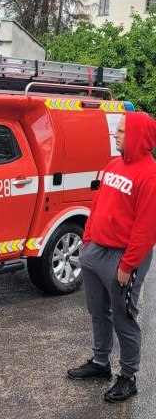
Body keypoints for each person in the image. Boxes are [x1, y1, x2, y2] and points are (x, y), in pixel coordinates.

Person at [67, 112, 156, 403]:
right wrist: (87, 239)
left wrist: (128, 266)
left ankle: (128, 377)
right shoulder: (113, 165)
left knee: (124, 318)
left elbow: (146, 228)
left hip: (123, 258)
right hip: (95, 251)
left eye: (120, 131)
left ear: (138, 136)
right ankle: (100, 363)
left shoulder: (150, 174)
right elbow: (99, 204)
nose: (114, 135)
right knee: (97, 311)